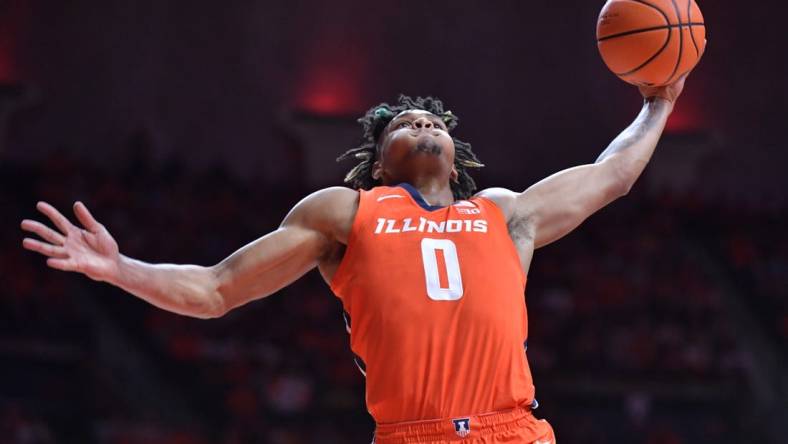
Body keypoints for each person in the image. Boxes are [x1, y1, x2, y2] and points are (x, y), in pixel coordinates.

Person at [21, 76, 689, 443]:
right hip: (410, 435)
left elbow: (613, 174)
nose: (427, 124)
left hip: (511, 432)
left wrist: (658, 103)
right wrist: (118, 268)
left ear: (456, 156)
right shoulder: (345, 214)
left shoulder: (503, 213)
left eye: (436, 123)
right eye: (408, 123)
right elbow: (217, 288)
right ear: (378, 160)